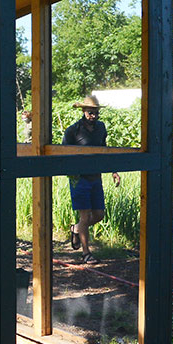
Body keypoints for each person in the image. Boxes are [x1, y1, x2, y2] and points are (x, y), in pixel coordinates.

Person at [62, 95, 120, 263]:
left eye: (95, 113)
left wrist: (113, 170)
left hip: (96, 177)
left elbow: (104, 150)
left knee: (99, 215)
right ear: (83, 111)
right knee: (85, 216)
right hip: (79, 178)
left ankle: (76, 228)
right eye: (90, 113)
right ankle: (86, 253)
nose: (93, 116)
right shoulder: (73, 130)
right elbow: (64, 153)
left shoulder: (101, 128)